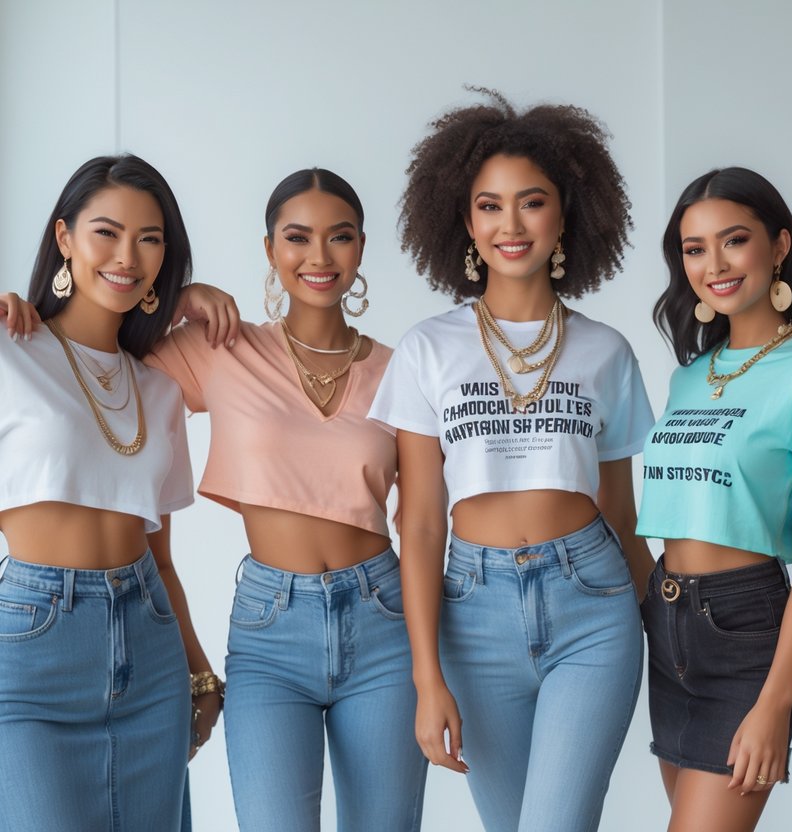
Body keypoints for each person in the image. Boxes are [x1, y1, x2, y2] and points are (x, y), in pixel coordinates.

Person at [369, 89, 654, 832]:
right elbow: (423, 524)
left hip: (591, 605)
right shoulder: (428, 349)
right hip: (472, 614)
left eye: (531, 203)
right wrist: (426, 677)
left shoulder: (606, 352)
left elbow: (622, 517)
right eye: (489, 206)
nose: (510, 224)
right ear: (465, 222)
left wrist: (674, 629)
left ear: (565, 215)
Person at [144, 168, 428, 831]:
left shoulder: (402, 370)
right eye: (297, 238)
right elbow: (103, 372)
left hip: (383, 621)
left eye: (340, 237)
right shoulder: (220, 348)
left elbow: (420, 523)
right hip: (270, 634)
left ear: (361, 248)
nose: (319, 257)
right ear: (270, 248)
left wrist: (432, 662)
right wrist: (172, 298)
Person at [0, 154, 220, 831]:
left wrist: (200, 671)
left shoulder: (159, 388)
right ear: (64, 238)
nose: (128, 255)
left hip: (148, 640)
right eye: (106, 232)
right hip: (34, 644)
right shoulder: (10, 349)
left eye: (149, 239)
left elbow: (160, 558)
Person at [638, 167, 792, 832]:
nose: (714, 264)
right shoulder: (686, 376)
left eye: (733, 240)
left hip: (744, 631)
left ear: (779, 245)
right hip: (666, 622)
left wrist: (774, 702)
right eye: (694, 249)